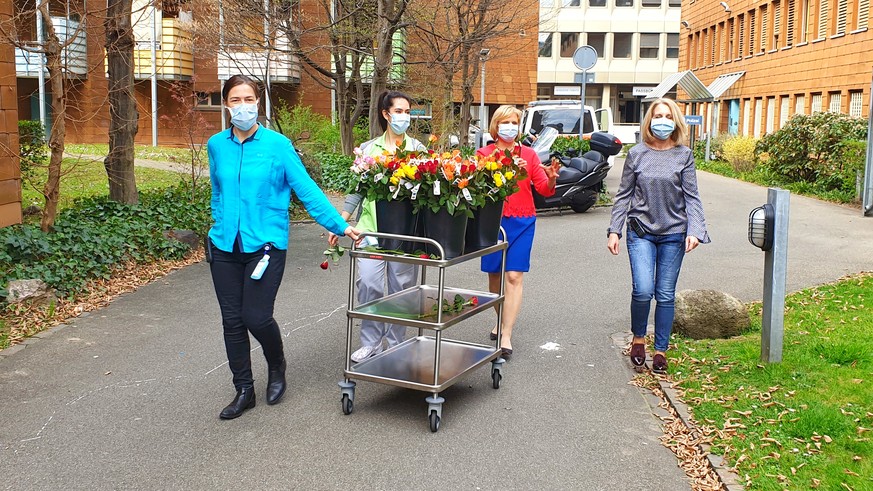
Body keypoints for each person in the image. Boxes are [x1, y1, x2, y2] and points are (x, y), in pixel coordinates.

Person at [207, 74, 361, 419]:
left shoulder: (278, 146)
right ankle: (243, 389)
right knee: (232, 321)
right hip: (224, 246)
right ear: (225, 104)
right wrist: (217, 222)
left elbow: (305, 190)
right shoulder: (216, 145)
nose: (242, 106)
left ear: (258, 103)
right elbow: (217, 190)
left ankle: (276, 365)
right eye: (235, 100)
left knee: (255, 316)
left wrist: (340, 225)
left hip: (265, 244)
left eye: (248, 99)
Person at [606, 97, 710, 375]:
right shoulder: (636, 154)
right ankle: (639, 339)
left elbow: (692, 197)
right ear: (649, 120)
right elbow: (624, 194)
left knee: (665, 295)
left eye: (667, 116)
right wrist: (615, 229)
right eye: (657, 115)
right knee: (642, 290)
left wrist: (696, 230)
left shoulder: (684, 155)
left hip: (674, 234)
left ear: (675, 121)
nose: (661, 121)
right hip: (640, 231)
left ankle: (661, 349)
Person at [329, 91, 425, 363]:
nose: (404, 117)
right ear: (386, 114)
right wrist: (341, 222)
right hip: (370, 230)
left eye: (407, 112)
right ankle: (371, 342)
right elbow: (356, 190)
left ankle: (395, 343)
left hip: (405, 232)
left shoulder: (418, 151)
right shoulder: (369, 149)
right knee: (369, 284)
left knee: (401, 289)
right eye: (399, 111)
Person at [477, 105, 560, 359]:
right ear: (495, 126)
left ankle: (506, 335)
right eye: (505, 122)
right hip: (491, 222)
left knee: (513, 276)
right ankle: (500, 320)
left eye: (514, 122)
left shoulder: (530, 154)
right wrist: (504, 167)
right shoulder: (483, 154)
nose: (510, 127)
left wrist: (552, 177)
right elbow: (478, 187)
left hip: (523, 221)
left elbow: (544, 189)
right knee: (494, 276)